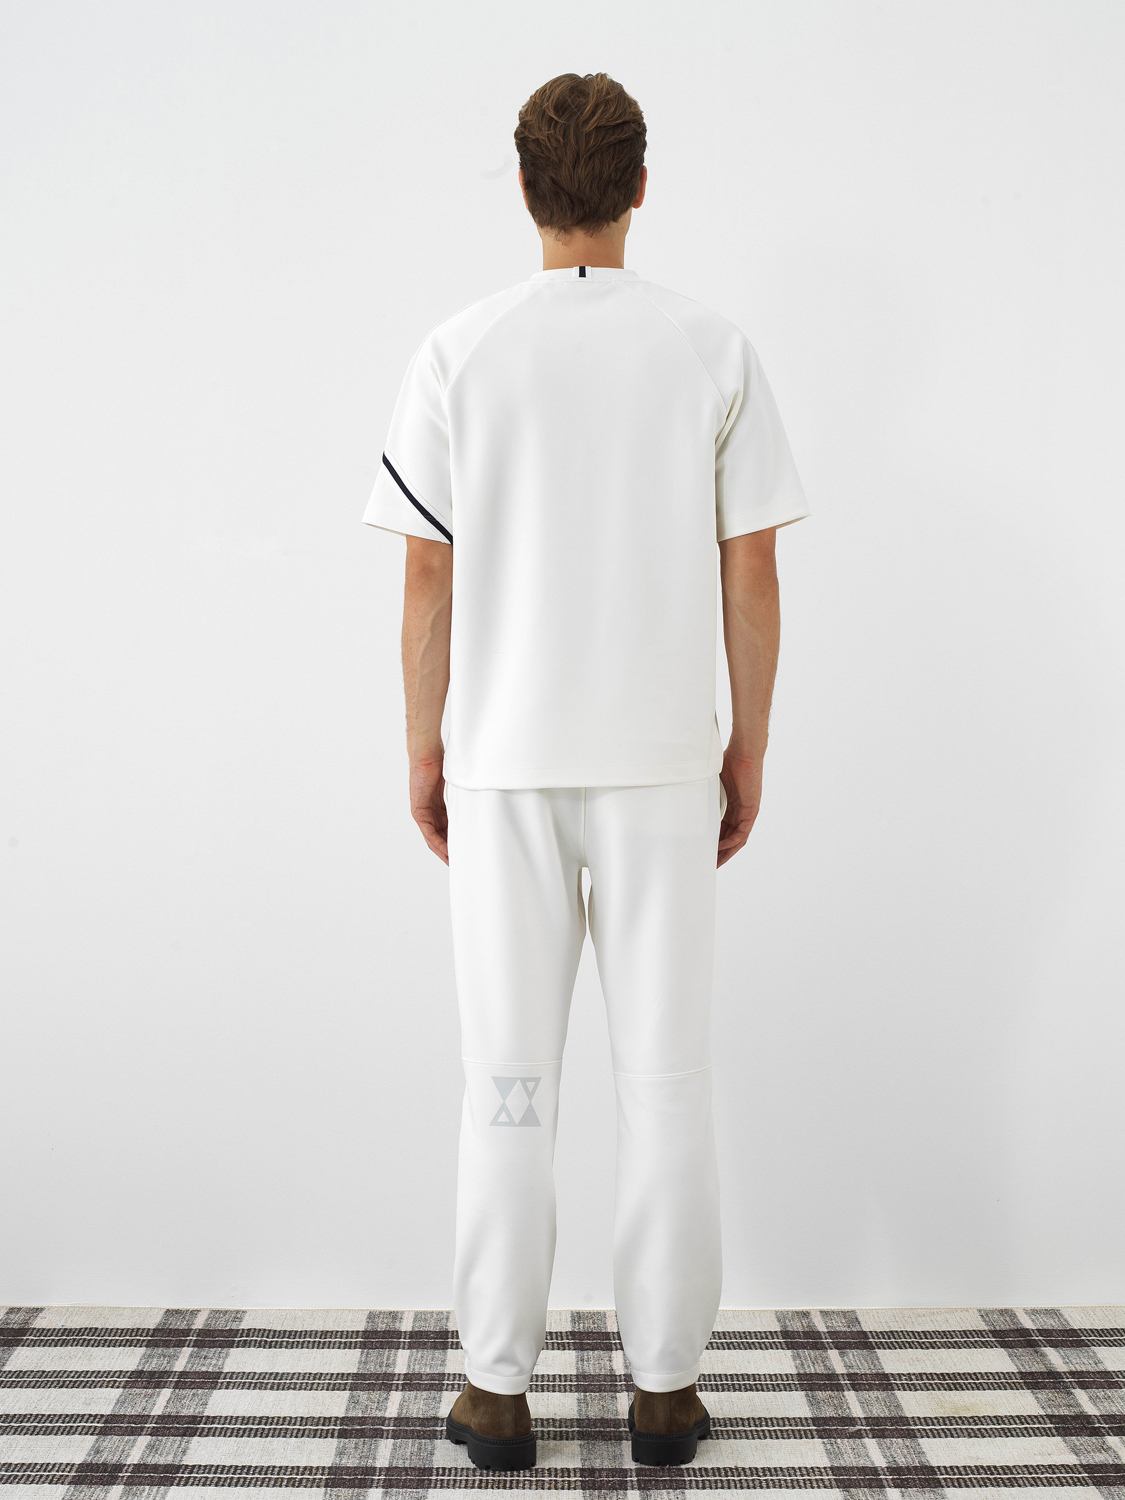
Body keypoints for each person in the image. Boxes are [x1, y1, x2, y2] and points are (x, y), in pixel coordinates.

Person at [363, 71, 809, 1470]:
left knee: (506, 1081)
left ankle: (495, 1393)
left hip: (501, 764)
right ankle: (665, 1392)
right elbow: (752, 566)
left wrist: (424, 745)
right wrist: (745, 745)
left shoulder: (458, 351)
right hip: (663, 763)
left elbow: (425, 575)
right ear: (639, 188)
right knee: (666, 1080)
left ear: (522, 188)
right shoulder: (710, 348)